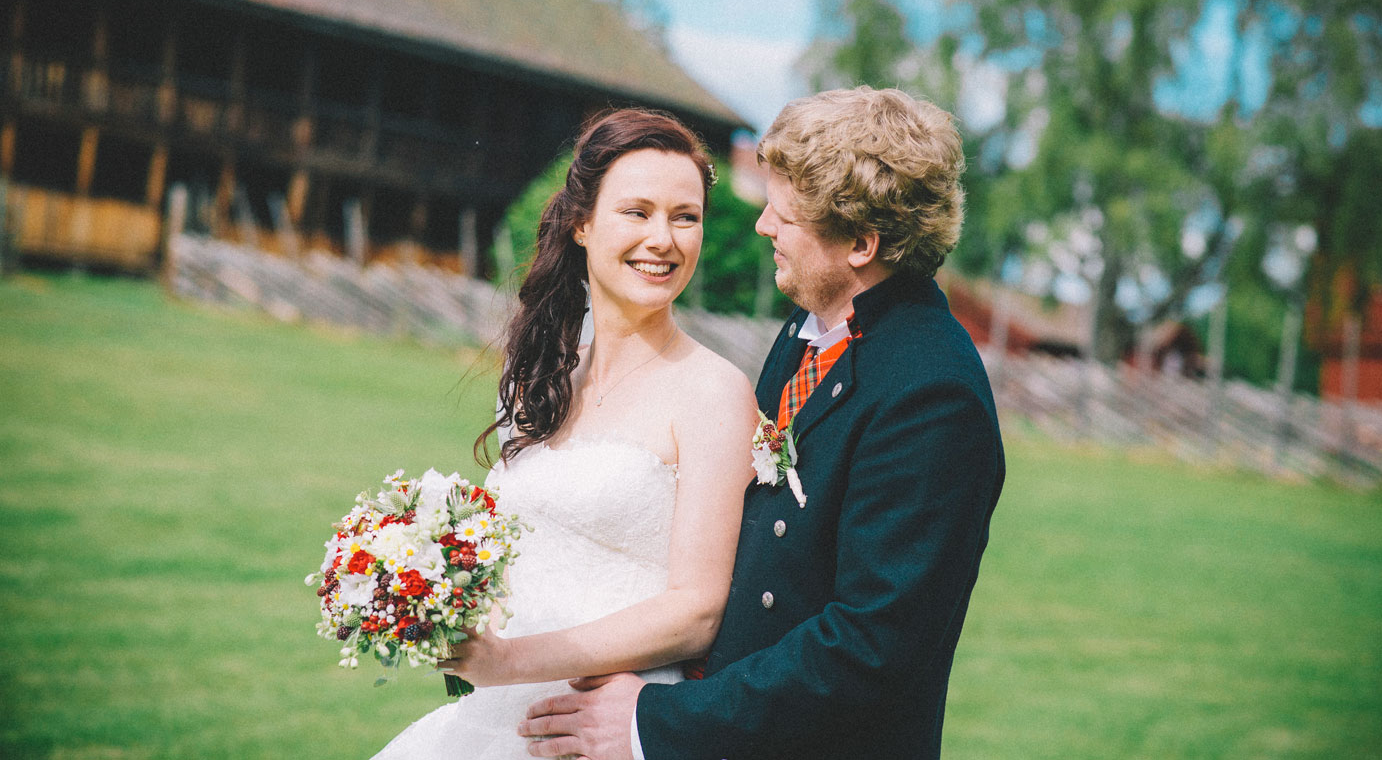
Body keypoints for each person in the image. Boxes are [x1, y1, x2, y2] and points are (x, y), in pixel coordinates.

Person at [517, 86, 1006, 760]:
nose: (762, 227)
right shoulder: (808, 333)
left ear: (861, 242)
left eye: (784, 215)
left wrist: (655, 720)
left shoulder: (931, 392)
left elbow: (872, 649)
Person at [370, 109, 758, 759]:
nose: (663, 238)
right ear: (582, 223)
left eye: (684, 216)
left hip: (593, 725)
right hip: (490, 713)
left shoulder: (713, 391)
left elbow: (698, 610)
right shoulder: (543, 378)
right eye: (637, 212)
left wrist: (507, 660)